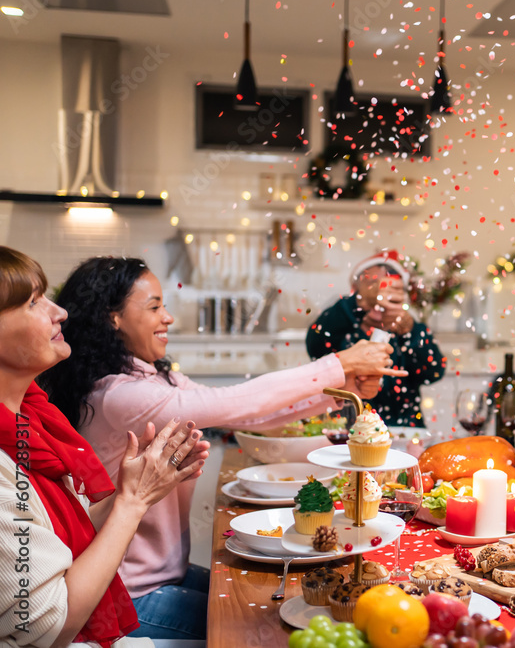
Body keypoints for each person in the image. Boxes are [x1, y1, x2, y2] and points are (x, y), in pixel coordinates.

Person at [38, 257, 406, 640]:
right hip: (129, 594)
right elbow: (233, 402)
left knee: (274, 599)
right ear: (113, 318)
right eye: (154, 307)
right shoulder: (117, 394)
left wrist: (341, 391)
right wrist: (337, 365)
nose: (168, 318)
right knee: (260, 626)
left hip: (162, 575)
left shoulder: (152, 376)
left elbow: (248, 416)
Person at [0, 246, 208, 647]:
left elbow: (58, 540)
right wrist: (132, 503)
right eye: (33, 302)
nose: (59, 312)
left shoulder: (34, 419)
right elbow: (49, 626)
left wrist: (136, 491)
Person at [306, 250, 446, 428]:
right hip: (346, 432)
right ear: (356, 290)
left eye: (390, 287)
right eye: (373, 284)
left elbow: (434, 372)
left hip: (403, 433)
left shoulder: (411, 329)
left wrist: (410, 332)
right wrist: (358, 303)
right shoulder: (340, 324)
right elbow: (314, 345)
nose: (382, 293)